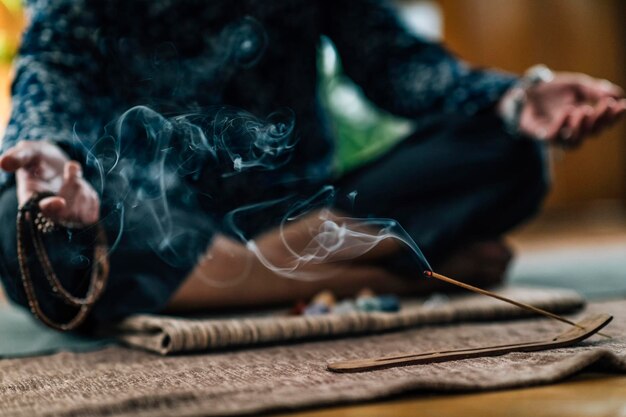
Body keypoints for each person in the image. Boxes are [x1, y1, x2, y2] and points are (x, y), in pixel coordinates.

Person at [0, 0, 624, 329]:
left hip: (305, 215)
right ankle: (382, 278)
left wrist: (515, 99)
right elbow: (53, 66)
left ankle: (224, 284)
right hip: (145, 219)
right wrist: (51, 152)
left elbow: (396, 63)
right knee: (21, 224)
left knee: (512, 151)